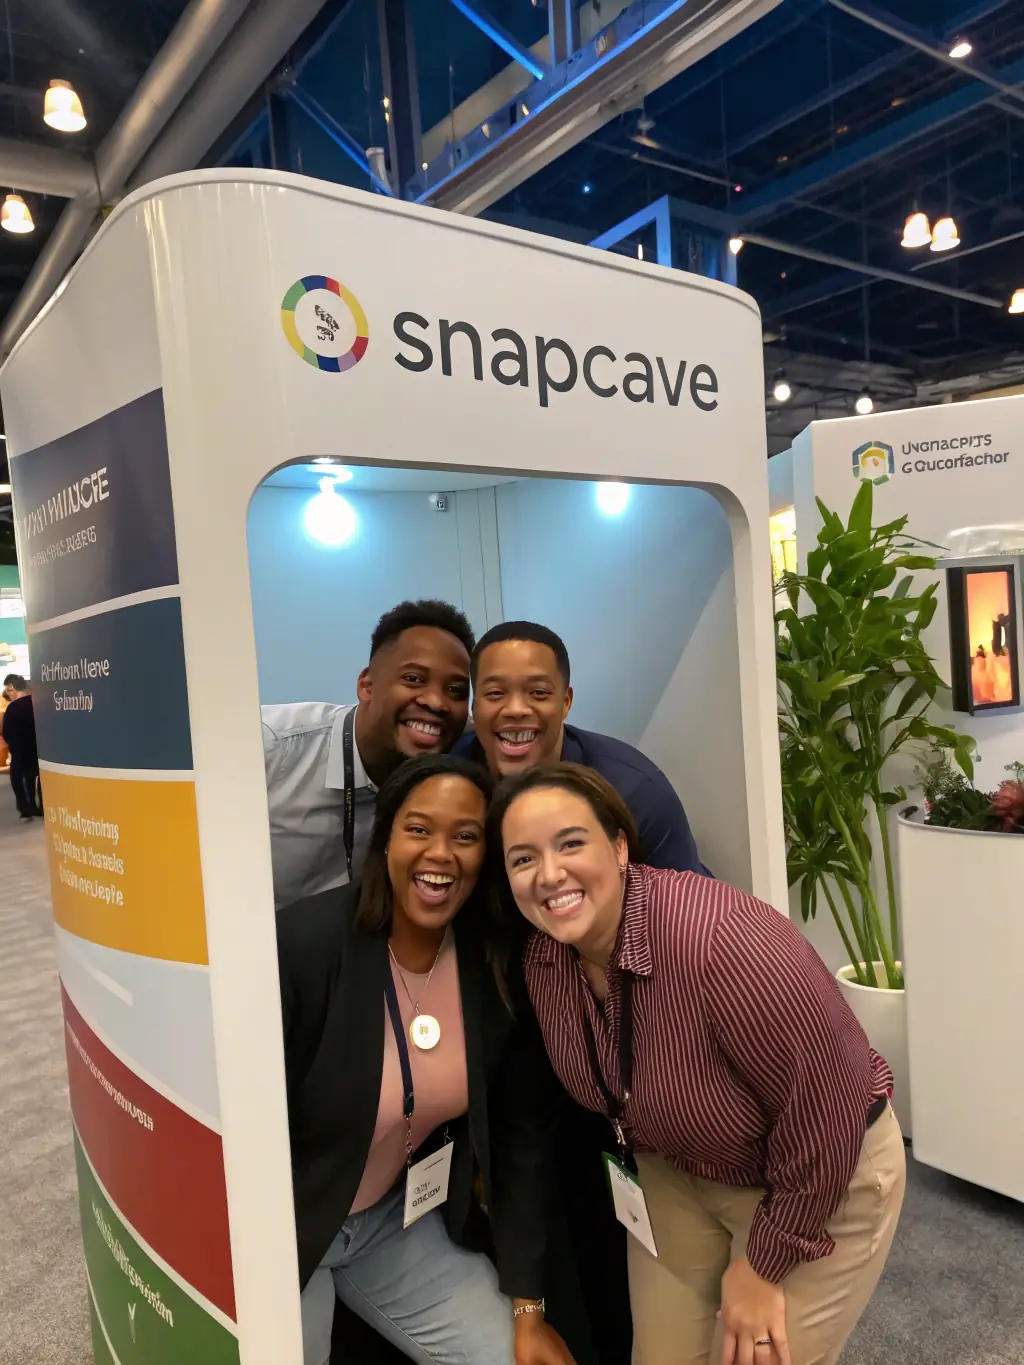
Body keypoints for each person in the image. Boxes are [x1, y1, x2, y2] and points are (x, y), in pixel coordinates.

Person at [492, 763, 905, 1365]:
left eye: (571, 844)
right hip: (677, 1171)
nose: (549, 874)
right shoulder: (545, 961)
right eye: (522, 859)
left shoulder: (717, 937)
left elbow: (829, 1099)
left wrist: (764, 1265)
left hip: (818, 1174)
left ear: (619, 845)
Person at [277, 754, 579, 1365]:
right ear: (385, 837)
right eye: (419, 829)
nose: (441, 853)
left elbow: (520, 1136)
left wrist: (528, 1307)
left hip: (393, 1224)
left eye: (465, 837)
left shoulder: (493, 965)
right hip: (287, 1235)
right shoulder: (304, 946)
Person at [263, 601, 475, 908]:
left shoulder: (460, 749)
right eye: (413, 679)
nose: (436, 702)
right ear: (367, 685)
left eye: (455, 690)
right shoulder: (270, 746)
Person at [457, 621, 704, 875]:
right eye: (496, 693)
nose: (516, 709)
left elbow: (691, 901)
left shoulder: (632, 789)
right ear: (474, 707)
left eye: (538, 693)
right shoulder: (451, 777)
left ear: (566, 702)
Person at [2, 674, 41, 821]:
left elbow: (7, 732)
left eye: (8, 690)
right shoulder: (36, 702)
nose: (7, 694)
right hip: (36, 747)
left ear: (12, 688)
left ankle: (26, 806)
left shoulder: (13, 709)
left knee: (18, 777)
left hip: (19, 749)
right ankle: (36, 804)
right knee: (33, 777)